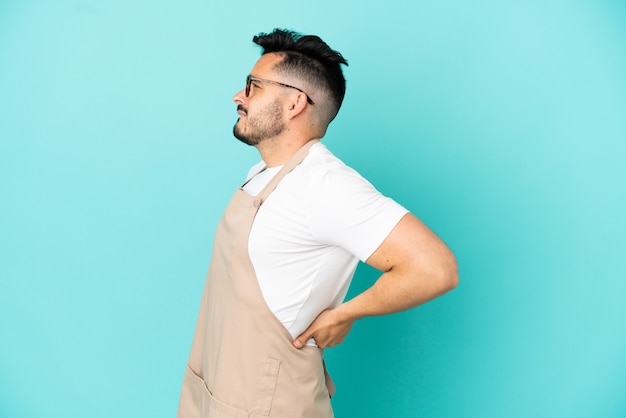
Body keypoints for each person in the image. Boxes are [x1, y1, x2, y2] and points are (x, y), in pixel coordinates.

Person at [177, 28, 458, 418]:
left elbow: (436, 268)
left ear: (295, 103)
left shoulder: (324, 185)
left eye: (253, 86)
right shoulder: (262, 172)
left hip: (269, 405)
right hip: (216, 389)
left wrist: (346, 314)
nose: (238, 97)